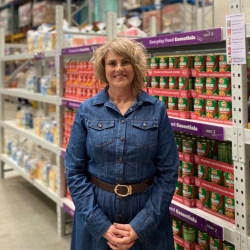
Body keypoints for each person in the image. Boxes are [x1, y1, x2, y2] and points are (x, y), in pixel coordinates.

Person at [65, 38, 179, 250]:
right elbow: (74, 170)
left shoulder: (156, 110)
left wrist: (141, 226)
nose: (119, 68)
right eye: (112, 63)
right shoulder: (87, 110)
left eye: (125, 62)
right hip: (96, 213)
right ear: (103, 68)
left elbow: (169, 172)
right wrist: (100, 224)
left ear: (135, 67)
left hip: (146, 213)